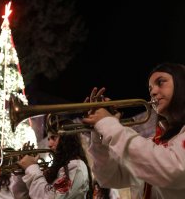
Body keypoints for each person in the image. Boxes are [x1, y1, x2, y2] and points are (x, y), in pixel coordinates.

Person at [82, 63, 185, 199]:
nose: (153, 92)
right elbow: (109, 178)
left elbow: (172, 170)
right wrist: (98, 133)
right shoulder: (155, 144)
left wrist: (108, 124)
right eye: (150, 89)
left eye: (160, 82)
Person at [12, 114, 93, 199]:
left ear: (67, 139)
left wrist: (31, 168)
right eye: (49, 139)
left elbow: (52, 197)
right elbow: (22, 196)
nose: (49, 144)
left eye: (54, 138)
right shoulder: (59, 168)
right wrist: (23, 172)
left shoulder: (76, 166)